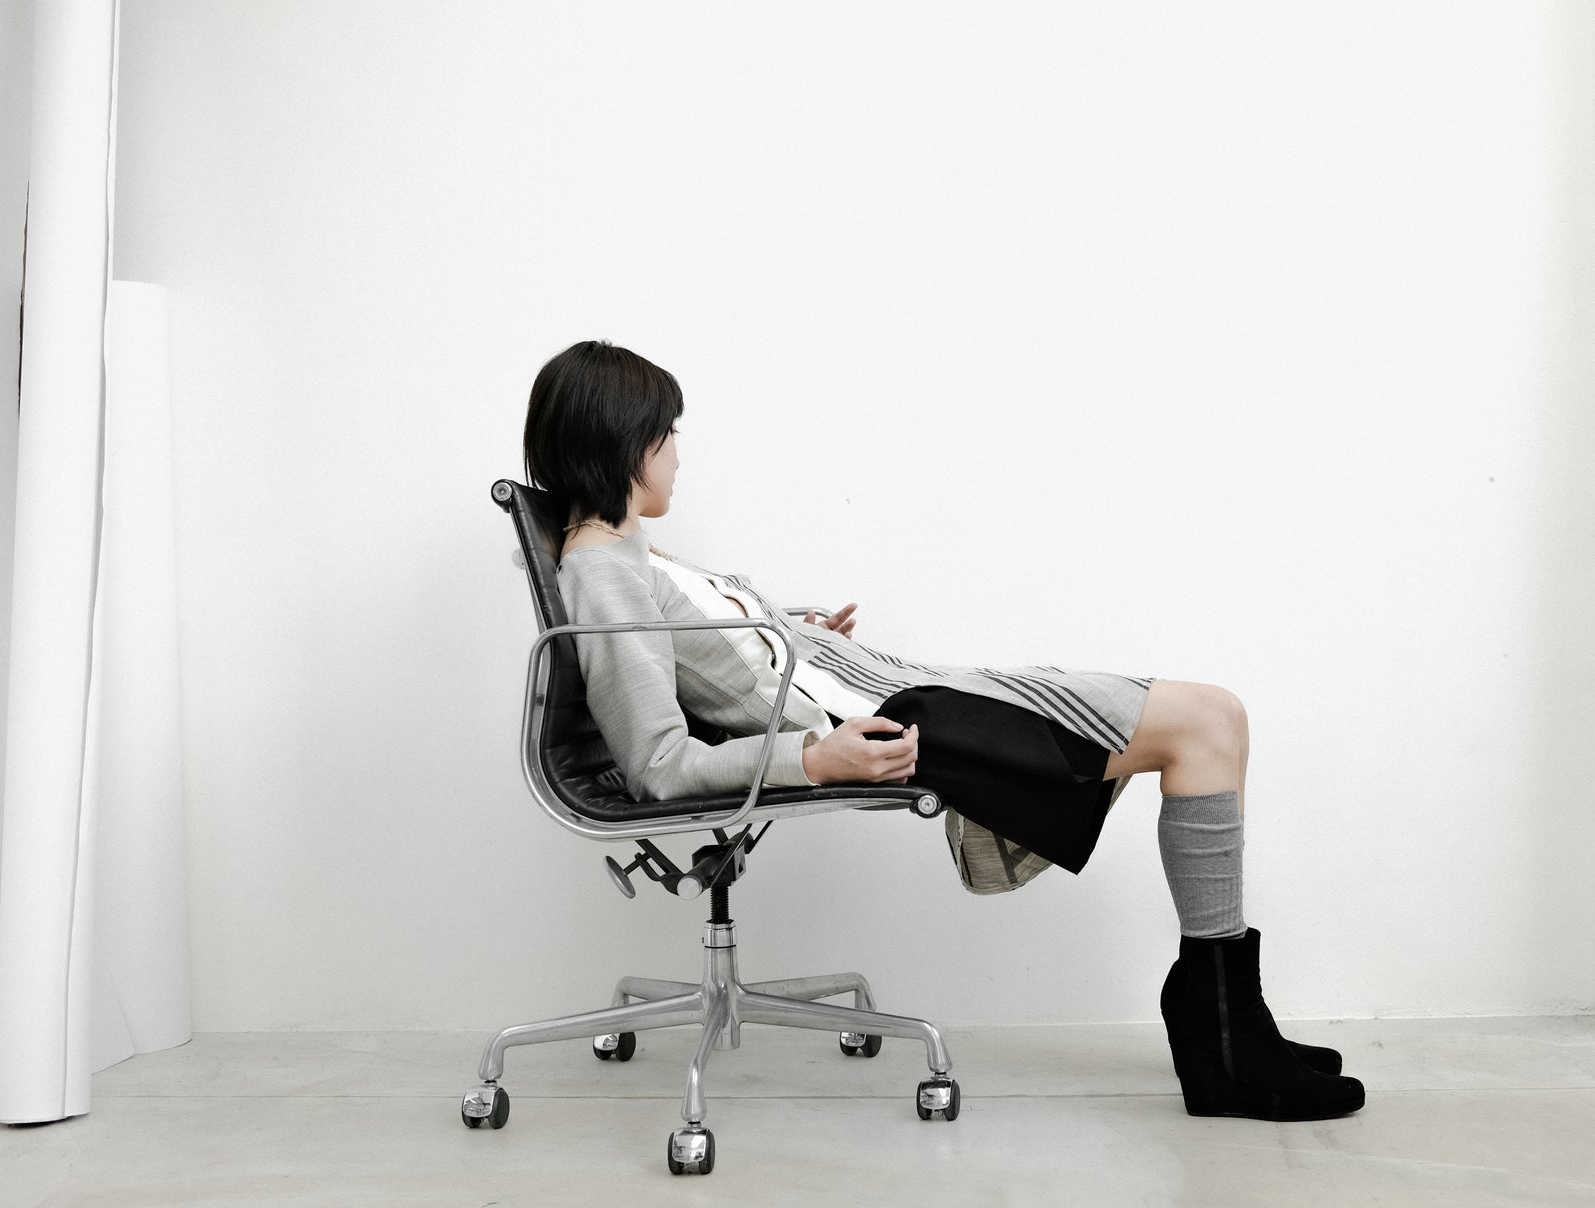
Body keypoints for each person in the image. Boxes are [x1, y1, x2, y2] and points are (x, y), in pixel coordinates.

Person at [522, 339, 1364, 1122]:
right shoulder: (603, 571)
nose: (679, 453)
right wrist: (813, 757)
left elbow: (716, 659)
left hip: (887, 688)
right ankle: (1221, 1037)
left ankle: (1227, 1020)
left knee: (1214, 717)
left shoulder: (629, 552)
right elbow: (659, 764)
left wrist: (798, 638)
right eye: (668, 433)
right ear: (626, 443)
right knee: (1207, 721)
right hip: (891, 720)